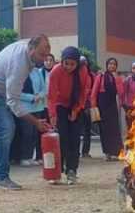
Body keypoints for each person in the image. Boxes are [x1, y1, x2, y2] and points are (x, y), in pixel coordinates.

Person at [0, 35, 53, 190]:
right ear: (31, 49)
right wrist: (35, 122)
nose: (43, 59)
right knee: (6, 129)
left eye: (46, 55)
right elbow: (13, 101)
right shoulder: (19, 63)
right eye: (41, 55)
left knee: (4, 131)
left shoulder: (26, 49)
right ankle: (1, 177)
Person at [48, 47, 91, 185]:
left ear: (77, 63)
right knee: (62, 139)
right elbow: (52, 95)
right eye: (66, 63)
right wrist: (53, 114)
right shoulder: (56, 71)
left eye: (72, 64)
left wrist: (77, 109)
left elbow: (84, 92)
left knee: (75, 139)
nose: (69, 67)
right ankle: (57, 172)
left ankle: (72, 170)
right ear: (62, 61)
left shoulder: (83, 71)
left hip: (75, 105)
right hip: (60, 105)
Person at [91, 58, 124, 161]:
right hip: (102, 106)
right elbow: (94, 93)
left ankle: (116, 153)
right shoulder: (100, 76)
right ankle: (107, 153)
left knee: (114, 130)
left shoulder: (118, 77)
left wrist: (116, 79)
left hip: (112, 106)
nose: (112, 66)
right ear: (107, 65)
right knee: (104, 131)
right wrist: (94, 107)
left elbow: (121, 92)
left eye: (114, 64)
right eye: (110, 64)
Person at [79, 56, 95, 158]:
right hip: (77, 106)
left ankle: (85, 151)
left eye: (85, 62)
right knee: (75, 131)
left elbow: (93, 92)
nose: (83, 64)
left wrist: (89, 105)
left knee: (87, 130)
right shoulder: (74, 75)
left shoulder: (92, 76)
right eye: (81, 62)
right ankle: (75, 152)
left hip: (87, 106)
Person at [122, 62, 135, 133]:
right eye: (134, 68)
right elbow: (123, 95)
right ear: (131, 69)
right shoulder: (127, 80)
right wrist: (126, 109)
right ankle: (129, 144)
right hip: (130, 109)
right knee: (130, 129)